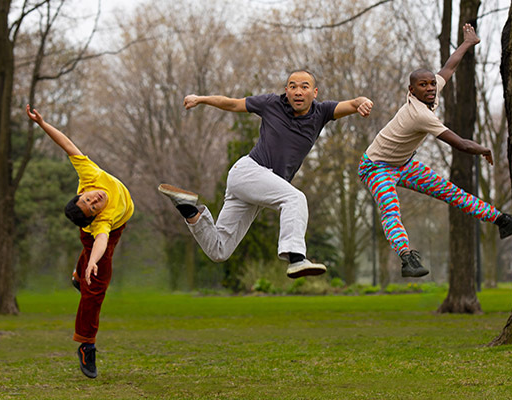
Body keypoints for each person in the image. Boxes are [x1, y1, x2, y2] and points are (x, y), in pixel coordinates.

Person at [357, 24, 512, 278]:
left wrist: (468, 42)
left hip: (404, 164)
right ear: (412, 91)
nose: (431, 88)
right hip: (376, 166)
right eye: (424, 85)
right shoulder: (420, 114)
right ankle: (407, 258)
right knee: (391, 209)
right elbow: (461, 144)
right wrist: (483, 148)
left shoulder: (430, 94)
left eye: (432, 84)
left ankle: (502, 221)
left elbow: (449, 67)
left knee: (451, 192)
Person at [158, 70, 374, 278]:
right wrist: (201, 98)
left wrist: (363, 102)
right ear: (286, 91)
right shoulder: (271, 103)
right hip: (249, 172)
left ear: (314, 92)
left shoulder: (322, 112)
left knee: (219, 250)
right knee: (295, 198)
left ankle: (187, 208)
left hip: (256, 186)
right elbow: (232, 103)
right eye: (293, 87)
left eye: (304, 87)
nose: (298, 91)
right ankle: (297, 258)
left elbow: (354, 103)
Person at [26, 105, 134, 379]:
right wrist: (93, 263)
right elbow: (100, 240)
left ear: (82, 194)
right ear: (94, 216)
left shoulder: (89, 177)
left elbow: (67, 145)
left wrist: (42, 123)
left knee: (90, 270)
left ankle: (78, 274)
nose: (94, 200)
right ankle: (86, 343)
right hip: (103, 236)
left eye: (88, 199)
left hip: (109, 231)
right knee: (95, 290)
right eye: (92, 206)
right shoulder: (101, 222)